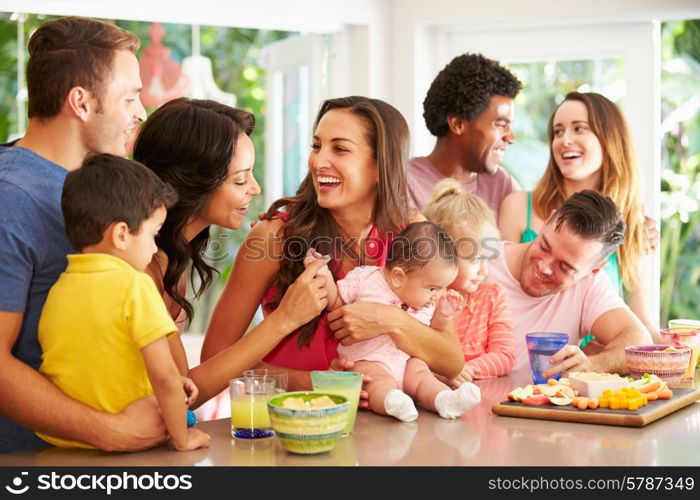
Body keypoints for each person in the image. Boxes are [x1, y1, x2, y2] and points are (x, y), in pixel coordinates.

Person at [202, 96, 465, 391]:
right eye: (316, 146)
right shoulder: (273, 236)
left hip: (390, 429)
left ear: (381, 166)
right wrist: (315, 382)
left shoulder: (414, 233)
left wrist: (390, 320)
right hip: (294, 427)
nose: (318, 161)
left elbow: (452, 360)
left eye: (339, 149)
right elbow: (215, 357)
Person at [0, 17, 166, 453]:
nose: (140, 112)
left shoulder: (93, 190)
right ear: (81, 102)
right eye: (130, 96)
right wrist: (110, 431)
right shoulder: (10, 199)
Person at [131, 98, 331, 407]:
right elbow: (182, 395)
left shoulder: (172, 256)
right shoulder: (141, 266)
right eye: (240, 179)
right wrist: (284, 320)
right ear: (193, 183)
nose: (255, 188)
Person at [37, 155, 210, 451]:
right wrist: (183, 438)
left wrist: (176, 380)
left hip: (63, 444)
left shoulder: (59, 289)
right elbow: (164, 375)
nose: (155, 247)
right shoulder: (135, 285)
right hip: (130, 443)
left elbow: (101, 363)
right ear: (121, 234)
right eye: (153, 235)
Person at [498, 92, 658, 340]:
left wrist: (677, 355)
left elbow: (642, 320)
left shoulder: (632, 220)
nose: (565, 140)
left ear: (609, 139)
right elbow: (497, 296)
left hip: (596, 369)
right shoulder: (519, 206)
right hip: (522, 357)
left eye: (579, 129)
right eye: (558, 131)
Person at [304, 222, 481, 422]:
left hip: (408, 363)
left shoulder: (425, 301)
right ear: (398, 277)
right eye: (433, 288)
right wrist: (324, 275)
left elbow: (437, 333)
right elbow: (336, 301)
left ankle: (444, 400)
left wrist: (444, 314)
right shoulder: (365, 279)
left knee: (423, 376)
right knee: (376, 382)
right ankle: (391, 402)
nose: (437, 295)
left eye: (442, 288)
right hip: (369, 359)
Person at [488, 190, 653, 377]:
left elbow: (639, 343)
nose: (544, 267)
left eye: (564, 267)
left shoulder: (588, 285)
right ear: (548, 221)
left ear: (595, 269)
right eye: (544, 246)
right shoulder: (480, 262)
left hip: (534, 404)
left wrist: (593, 364)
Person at [423, 179, 516, 385]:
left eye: (487, 259)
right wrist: (443, 374)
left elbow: (504, 355)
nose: (483, 271)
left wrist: (462, 371)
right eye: (475, 259)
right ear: (441, 254)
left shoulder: (492, 296)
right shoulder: (421, 299)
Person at [407, 53, 522, 217]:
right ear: (458, 124)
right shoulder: (405, 185)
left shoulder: (503, 185)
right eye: (501, 125)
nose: (510, 138)